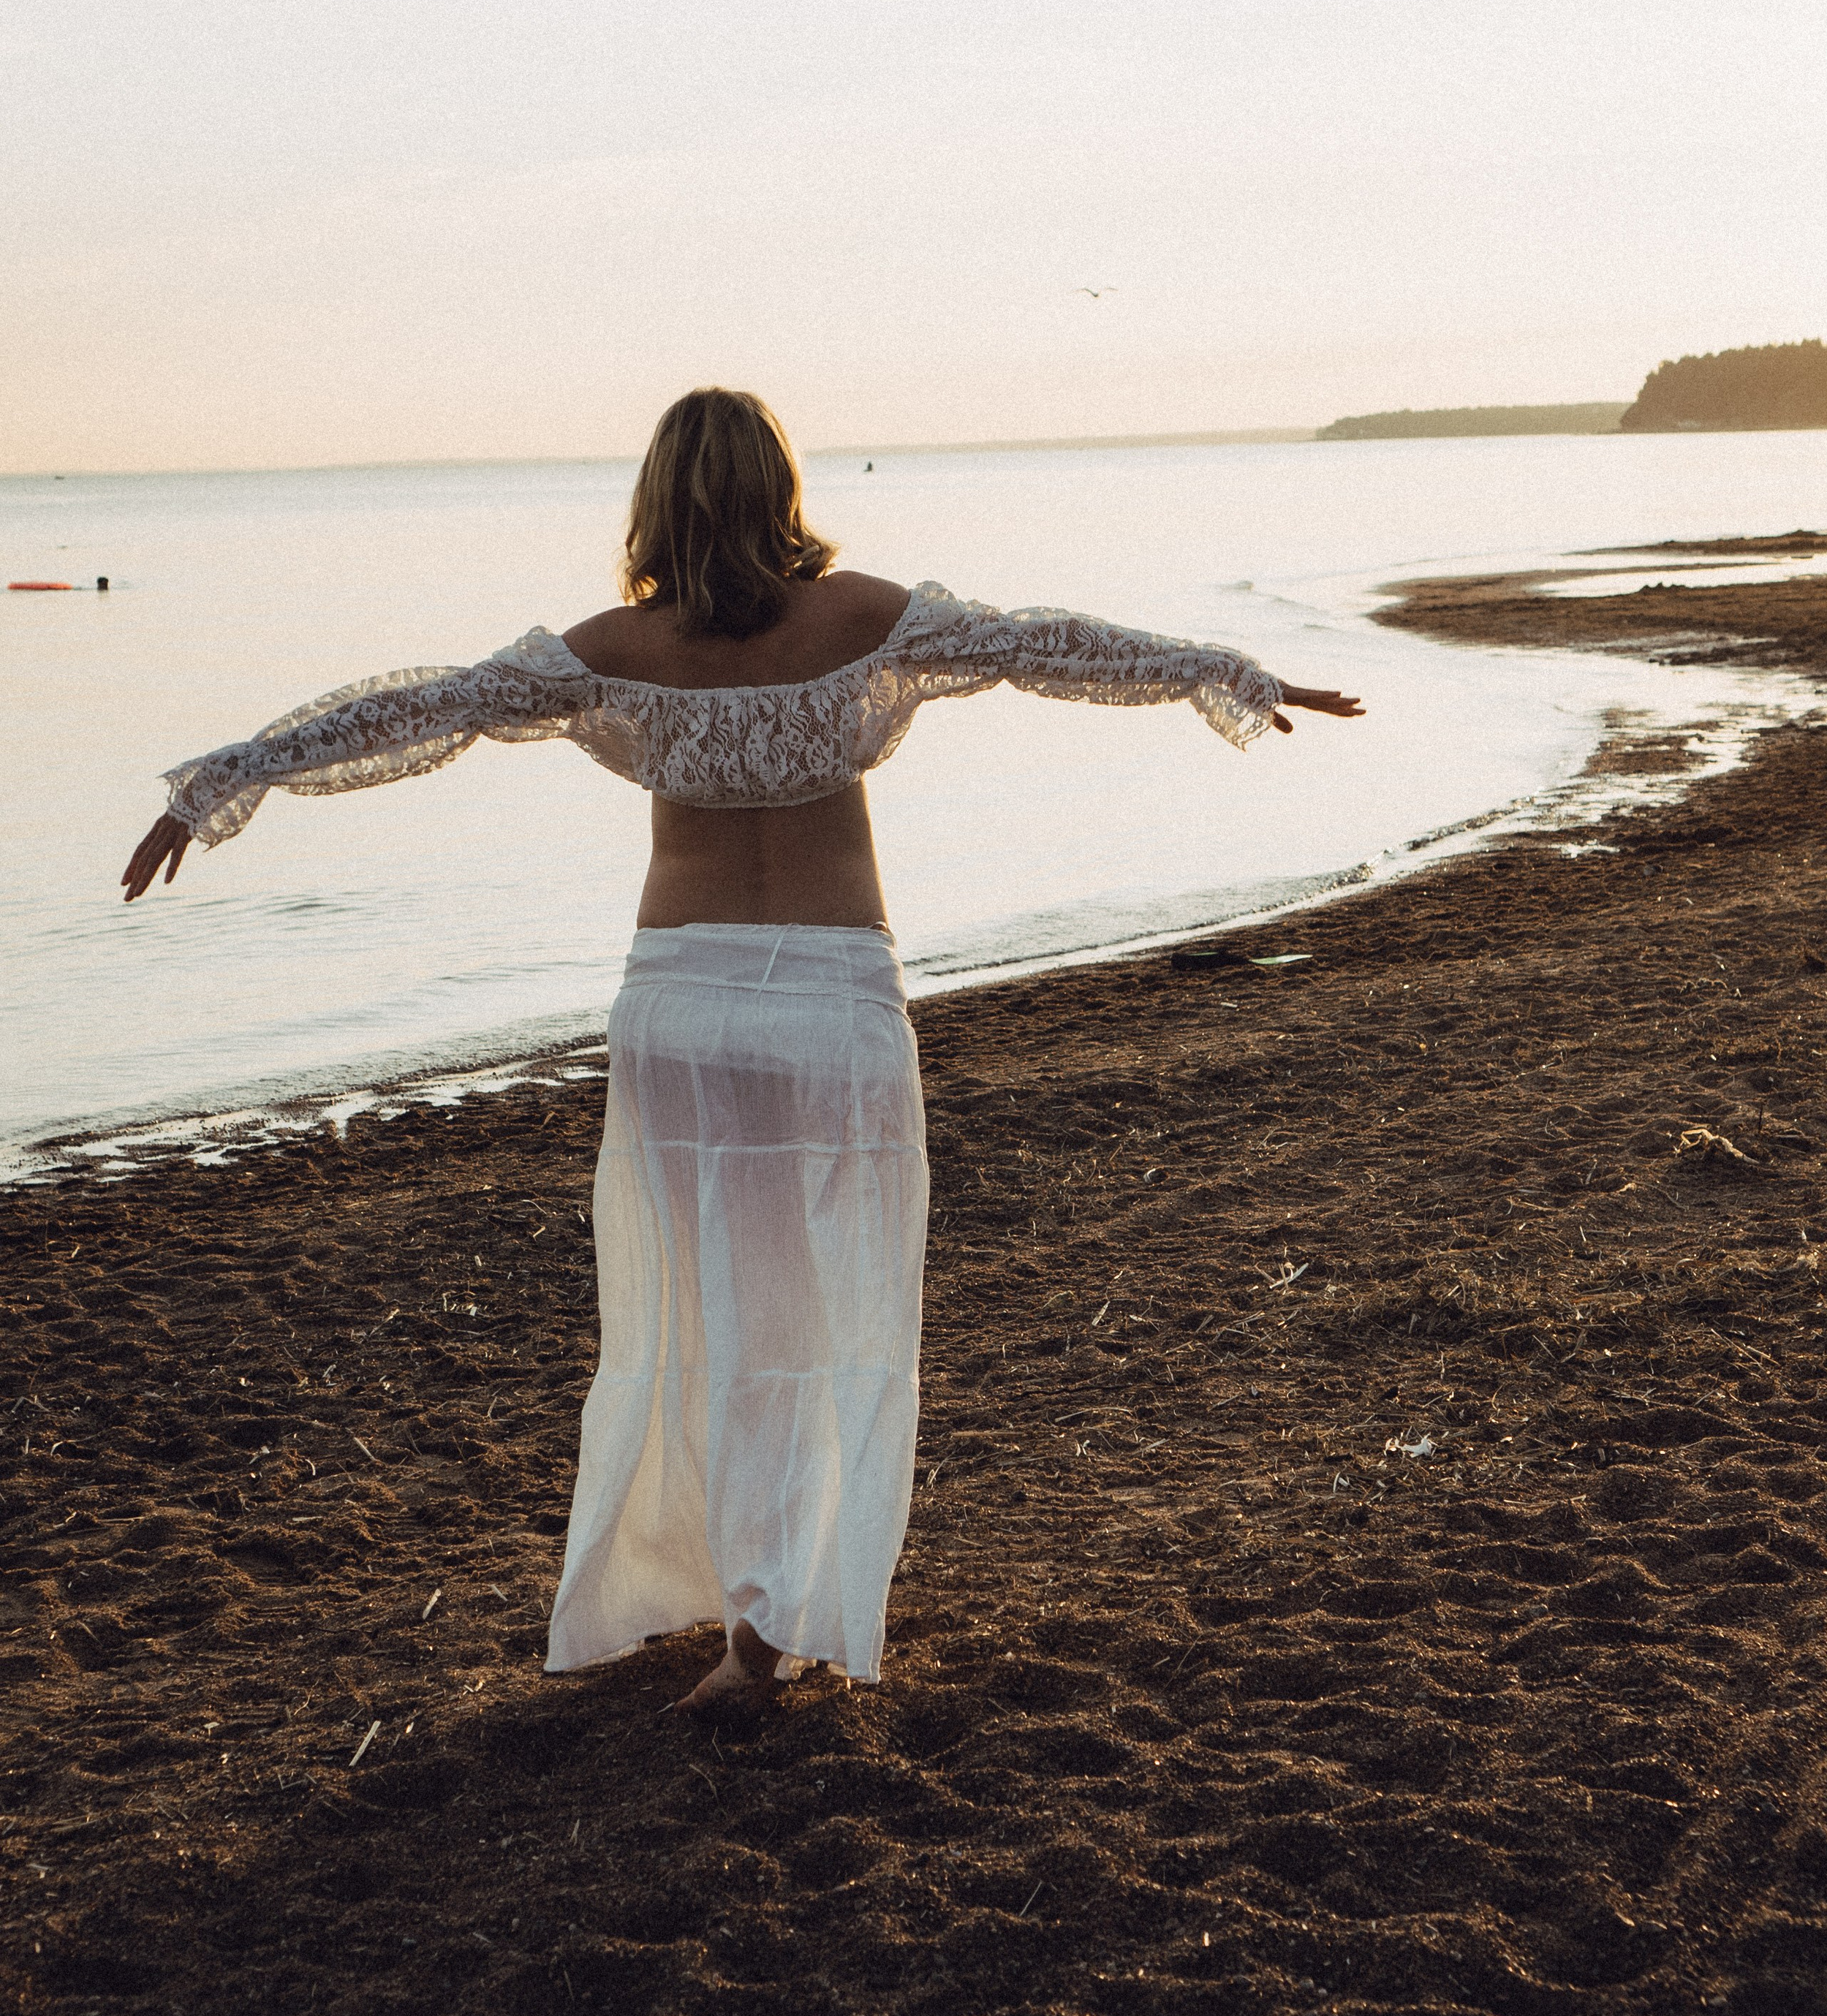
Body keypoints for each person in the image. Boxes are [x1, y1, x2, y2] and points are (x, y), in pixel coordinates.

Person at [122, 387, 1363, 1713]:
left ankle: (724, 1602)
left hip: (683, 1006)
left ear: (655, 500)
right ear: (781, 491)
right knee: (828, 1317)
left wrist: (221, 785)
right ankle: (759, 1625)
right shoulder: (863, 620)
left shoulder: (613, 646)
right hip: (830, 1000)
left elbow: (426, 708)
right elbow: (1046, 645)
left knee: (698, 1315)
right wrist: (1224, 674)